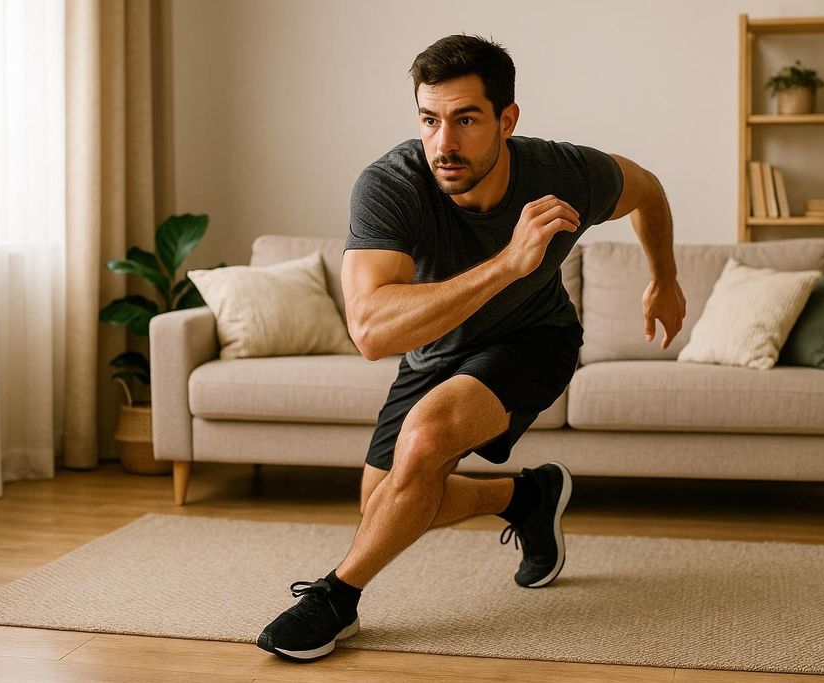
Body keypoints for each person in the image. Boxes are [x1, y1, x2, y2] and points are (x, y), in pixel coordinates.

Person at [256, 33, 686, 662]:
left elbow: (647, 189)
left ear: (507, 120)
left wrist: (665, 279)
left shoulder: (563, 174)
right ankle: (526, 497)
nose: (444, 144)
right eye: (429, 120)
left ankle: (335, 599)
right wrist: (509, 262)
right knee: (387, 507)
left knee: (425, 442)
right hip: (435, 351)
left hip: (533, 338)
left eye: (466, 120)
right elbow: (371, 332)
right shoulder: (391, 187)